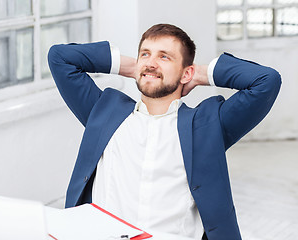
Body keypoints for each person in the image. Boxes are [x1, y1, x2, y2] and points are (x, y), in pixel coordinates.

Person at [48, 24, 281, 240]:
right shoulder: (104, 112)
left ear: (186, 73)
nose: (151, 62)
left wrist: (198, 74)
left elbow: (266, 81)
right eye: (145, 54)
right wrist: (135, 68)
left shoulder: (208, 125)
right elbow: (60, 58)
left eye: (164, 57)